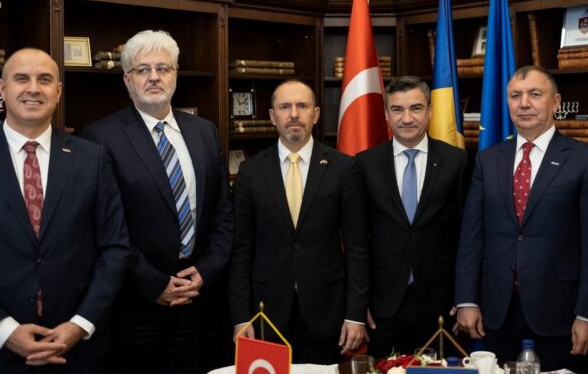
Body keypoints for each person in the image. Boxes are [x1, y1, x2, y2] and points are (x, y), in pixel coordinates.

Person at [0, 48, 130, 373]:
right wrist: (4, 331)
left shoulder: (92, 159)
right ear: (2, 89)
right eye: (21, 78)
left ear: (58, 91)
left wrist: (81, 324)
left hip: (80, 352)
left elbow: (115, 249)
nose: (33, 88)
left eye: (44, 79)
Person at [82, 30, 233, 373]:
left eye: (163, 68)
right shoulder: (100, 138)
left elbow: (223, 212)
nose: (154, 77)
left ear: (175, 75)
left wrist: (206, 270)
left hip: (198, 296)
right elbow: (107, 227)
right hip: (135, 302)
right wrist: (154, 283)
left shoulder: (204, 131)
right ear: (127, 80)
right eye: (142, 70)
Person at [455, 65, 588, 371]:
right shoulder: (488, 159)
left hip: (560, 313)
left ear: (556, 102)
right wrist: (467, 300)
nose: (524, 103)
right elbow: (472, 235)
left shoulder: (587, 160)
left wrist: (587, 314)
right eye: (515, 96)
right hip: (497, 312)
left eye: (535, 94)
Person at [229, 79, 368, 364]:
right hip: (265, 314)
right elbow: (241, 250)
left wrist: (355, 315)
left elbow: (357, 247)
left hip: (327, 311)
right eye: (285, 107)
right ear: (272, 116)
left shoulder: (344, 168)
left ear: (315, 114)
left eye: (302, 106)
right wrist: (241, 318)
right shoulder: (250, 172)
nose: (294, 114)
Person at [355, 76, 469, 357]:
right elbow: (357, 240)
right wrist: (358, 303)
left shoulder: (457, 161)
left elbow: (467, 235)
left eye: (416, 108)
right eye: (397, 109)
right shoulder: (364, 163)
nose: (407, 118)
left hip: (441, 304)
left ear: (430, 111)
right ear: (386, 114)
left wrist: (465, 296)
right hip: (383, 305)